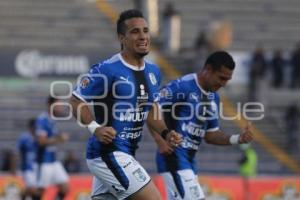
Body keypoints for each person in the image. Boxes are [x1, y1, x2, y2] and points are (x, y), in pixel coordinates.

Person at [70, 9, 181, 200]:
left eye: (145, 31)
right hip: (108, 153)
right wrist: (95, 128)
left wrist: (165, 132)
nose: (143, 36)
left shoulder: (154, 72)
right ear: (122, 38)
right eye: (135, 32)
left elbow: (151, 108)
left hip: (127, 153)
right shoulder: (106, 69)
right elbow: (75, 100)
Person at [148, 51, 254, 200]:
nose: (224, 84)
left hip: (189, 162)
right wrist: (160, 140)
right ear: (208, 69)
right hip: (174, 158)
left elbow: (211, 135)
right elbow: (150, 107)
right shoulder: (183, 86)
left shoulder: (213, 98)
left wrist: (238, 138)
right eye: (222, 78)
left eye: (227, 80)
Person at [35, 96, 69, 200]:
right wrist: (59, 139)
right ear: (51, 105)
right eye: (58, 105)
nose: (60, 107)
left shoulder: (52, 120)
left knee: (65, 187)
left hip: (53, 160)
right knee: (40, 191)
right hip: (44, 161)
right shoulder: (42, 119)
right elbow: (41, 141)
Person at [17, 118, 42, 200]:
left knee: (34, 191)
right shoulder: (24, 138)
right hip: (27, 168)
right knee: (33, 190)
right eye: (35, 127)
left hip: (37, 168)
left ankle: (20, 196)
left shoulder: (40, 139)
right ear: (31, 127)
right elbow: (17, 152)